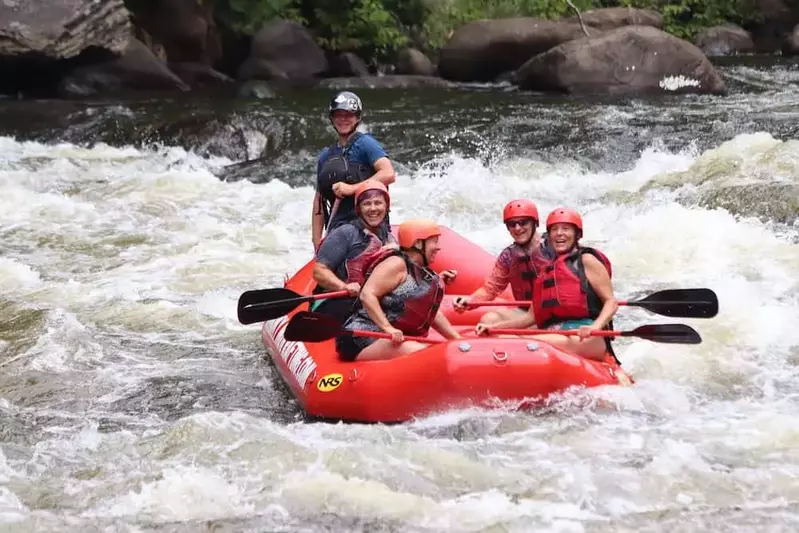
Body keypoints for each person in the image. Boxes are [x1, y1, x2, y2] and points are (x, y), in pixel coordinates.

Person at [474, 207, 618, 361]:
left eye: (566, 229)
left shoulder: (587, 260)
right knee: (504, 338)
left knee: (521, 345)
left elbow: (611, 302)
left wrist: (595, 327)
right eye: (554, 229)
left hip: (585, 335)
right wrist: (494, 328)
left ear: (577, 234)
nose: (559, 233)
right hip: (557, 332)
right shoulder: (546, 270)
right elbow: (531, 318)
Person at [336, 219, 461, 361]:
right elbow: (367, 294)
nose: (438, 247)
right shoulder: (396, 263)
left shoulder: (421, 271)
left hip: (394, 338)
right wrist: (388, 328)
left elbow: (431, 313)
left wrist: (457, 339)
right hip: (363, 337)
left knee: (433, 352)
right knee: (426, 356)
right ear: (418, 243)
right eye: (434, 241)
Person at [312, 91, 396, 251]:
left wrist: (351, 189)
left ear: (357, 118)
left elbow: (388, 173)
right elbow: (319, 201)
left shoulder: (366, 144)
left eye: (348, 115)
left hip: (369, 224)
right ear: (332, 118)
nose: (343, 120)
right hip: (339, 228)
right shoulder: (326, 156)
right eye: (338, 115)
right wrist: (316, 241)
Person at [453, 199, 553, 324]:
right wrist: (470, 301)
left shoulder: (554, 244)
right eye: (512, 224)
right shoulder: (508, 256)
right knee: (489, 320)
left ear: (535, 223)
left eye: (523, 222)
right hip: (526, 312)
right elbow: (491, 288)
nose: (517, 228)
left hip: (555, 312)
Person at [311, 180, 396, 323]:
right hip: (338, 300)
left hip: (368, 299)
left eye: (378, 203)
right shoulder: (345, 233)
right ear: (358, 208)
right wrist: (343, 286)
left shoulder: (386, 234)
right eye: (367, 204)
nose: (373, 208)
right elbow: (319, 271)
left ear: (386, 206)